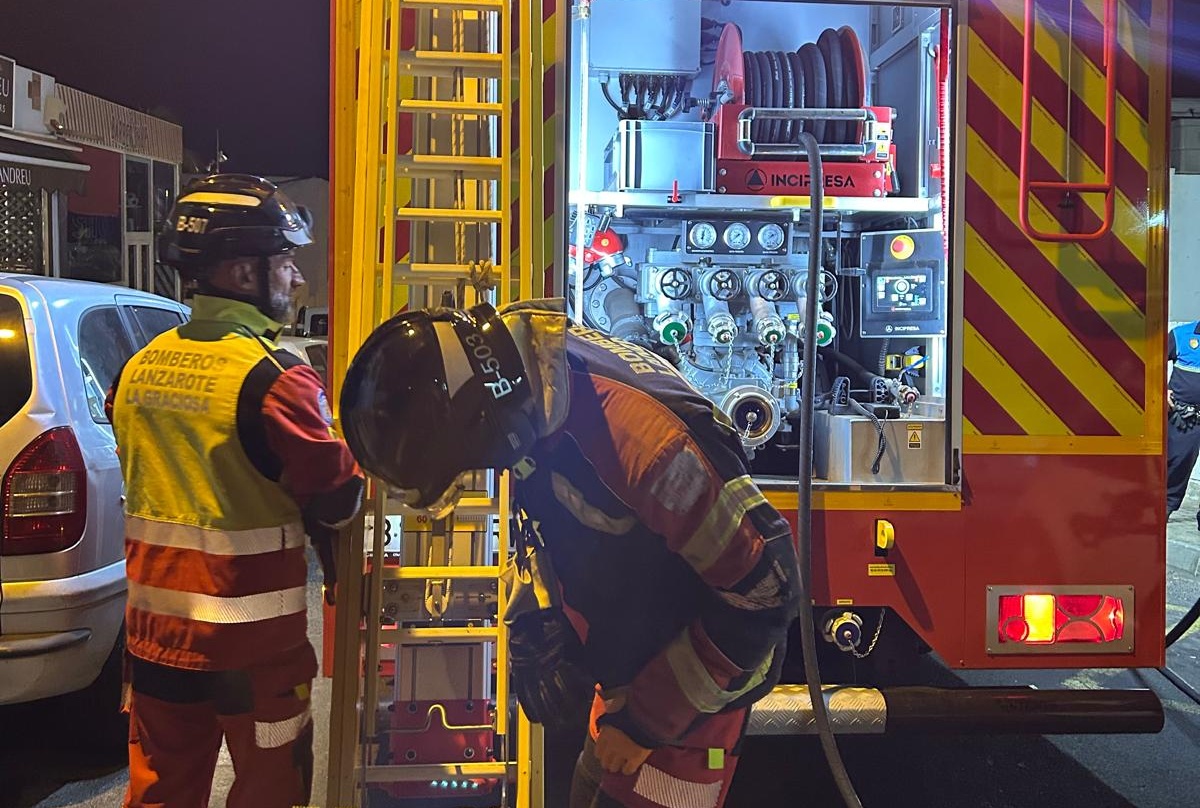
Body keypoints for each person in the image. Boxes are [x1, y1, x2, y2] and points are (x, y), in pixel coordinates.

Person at [338, 299, 800, 808]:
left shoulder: (649, 446)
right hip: (630, 680)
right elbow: (557, 511)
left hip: (689, 714)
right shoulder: (526, 381)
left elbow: (766, 592)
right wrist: (538, 609)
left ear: (489, 421)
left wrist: (646, 723)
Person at [106, 174, 363, 808]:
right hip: (254, 653)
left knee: (161, 795)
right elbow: (338, 498)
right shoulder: (277, 379)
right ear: (244, 275)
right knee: (270, 793)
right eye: (286, 262)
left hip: (155, 642)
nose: (297, 280)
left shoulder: (137, 368)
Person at [1168, 319, 1200, 526]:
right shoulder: (1181, 335)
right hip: (1185, 418)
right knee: (1177, 463)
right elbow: (1148, 362)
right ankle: (1164, 509)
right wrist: (1160, 390)